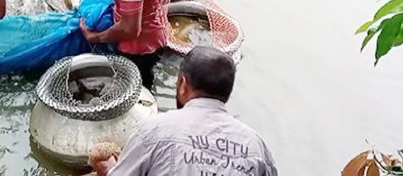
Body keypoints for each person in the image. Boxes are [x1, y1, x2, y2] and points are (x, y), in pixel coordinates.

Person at [105, 46, 278, 176]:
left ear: (182, 84)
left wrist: (109, 169)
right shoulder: (256, 146)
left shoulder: (153, 130)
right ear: (227, 93)